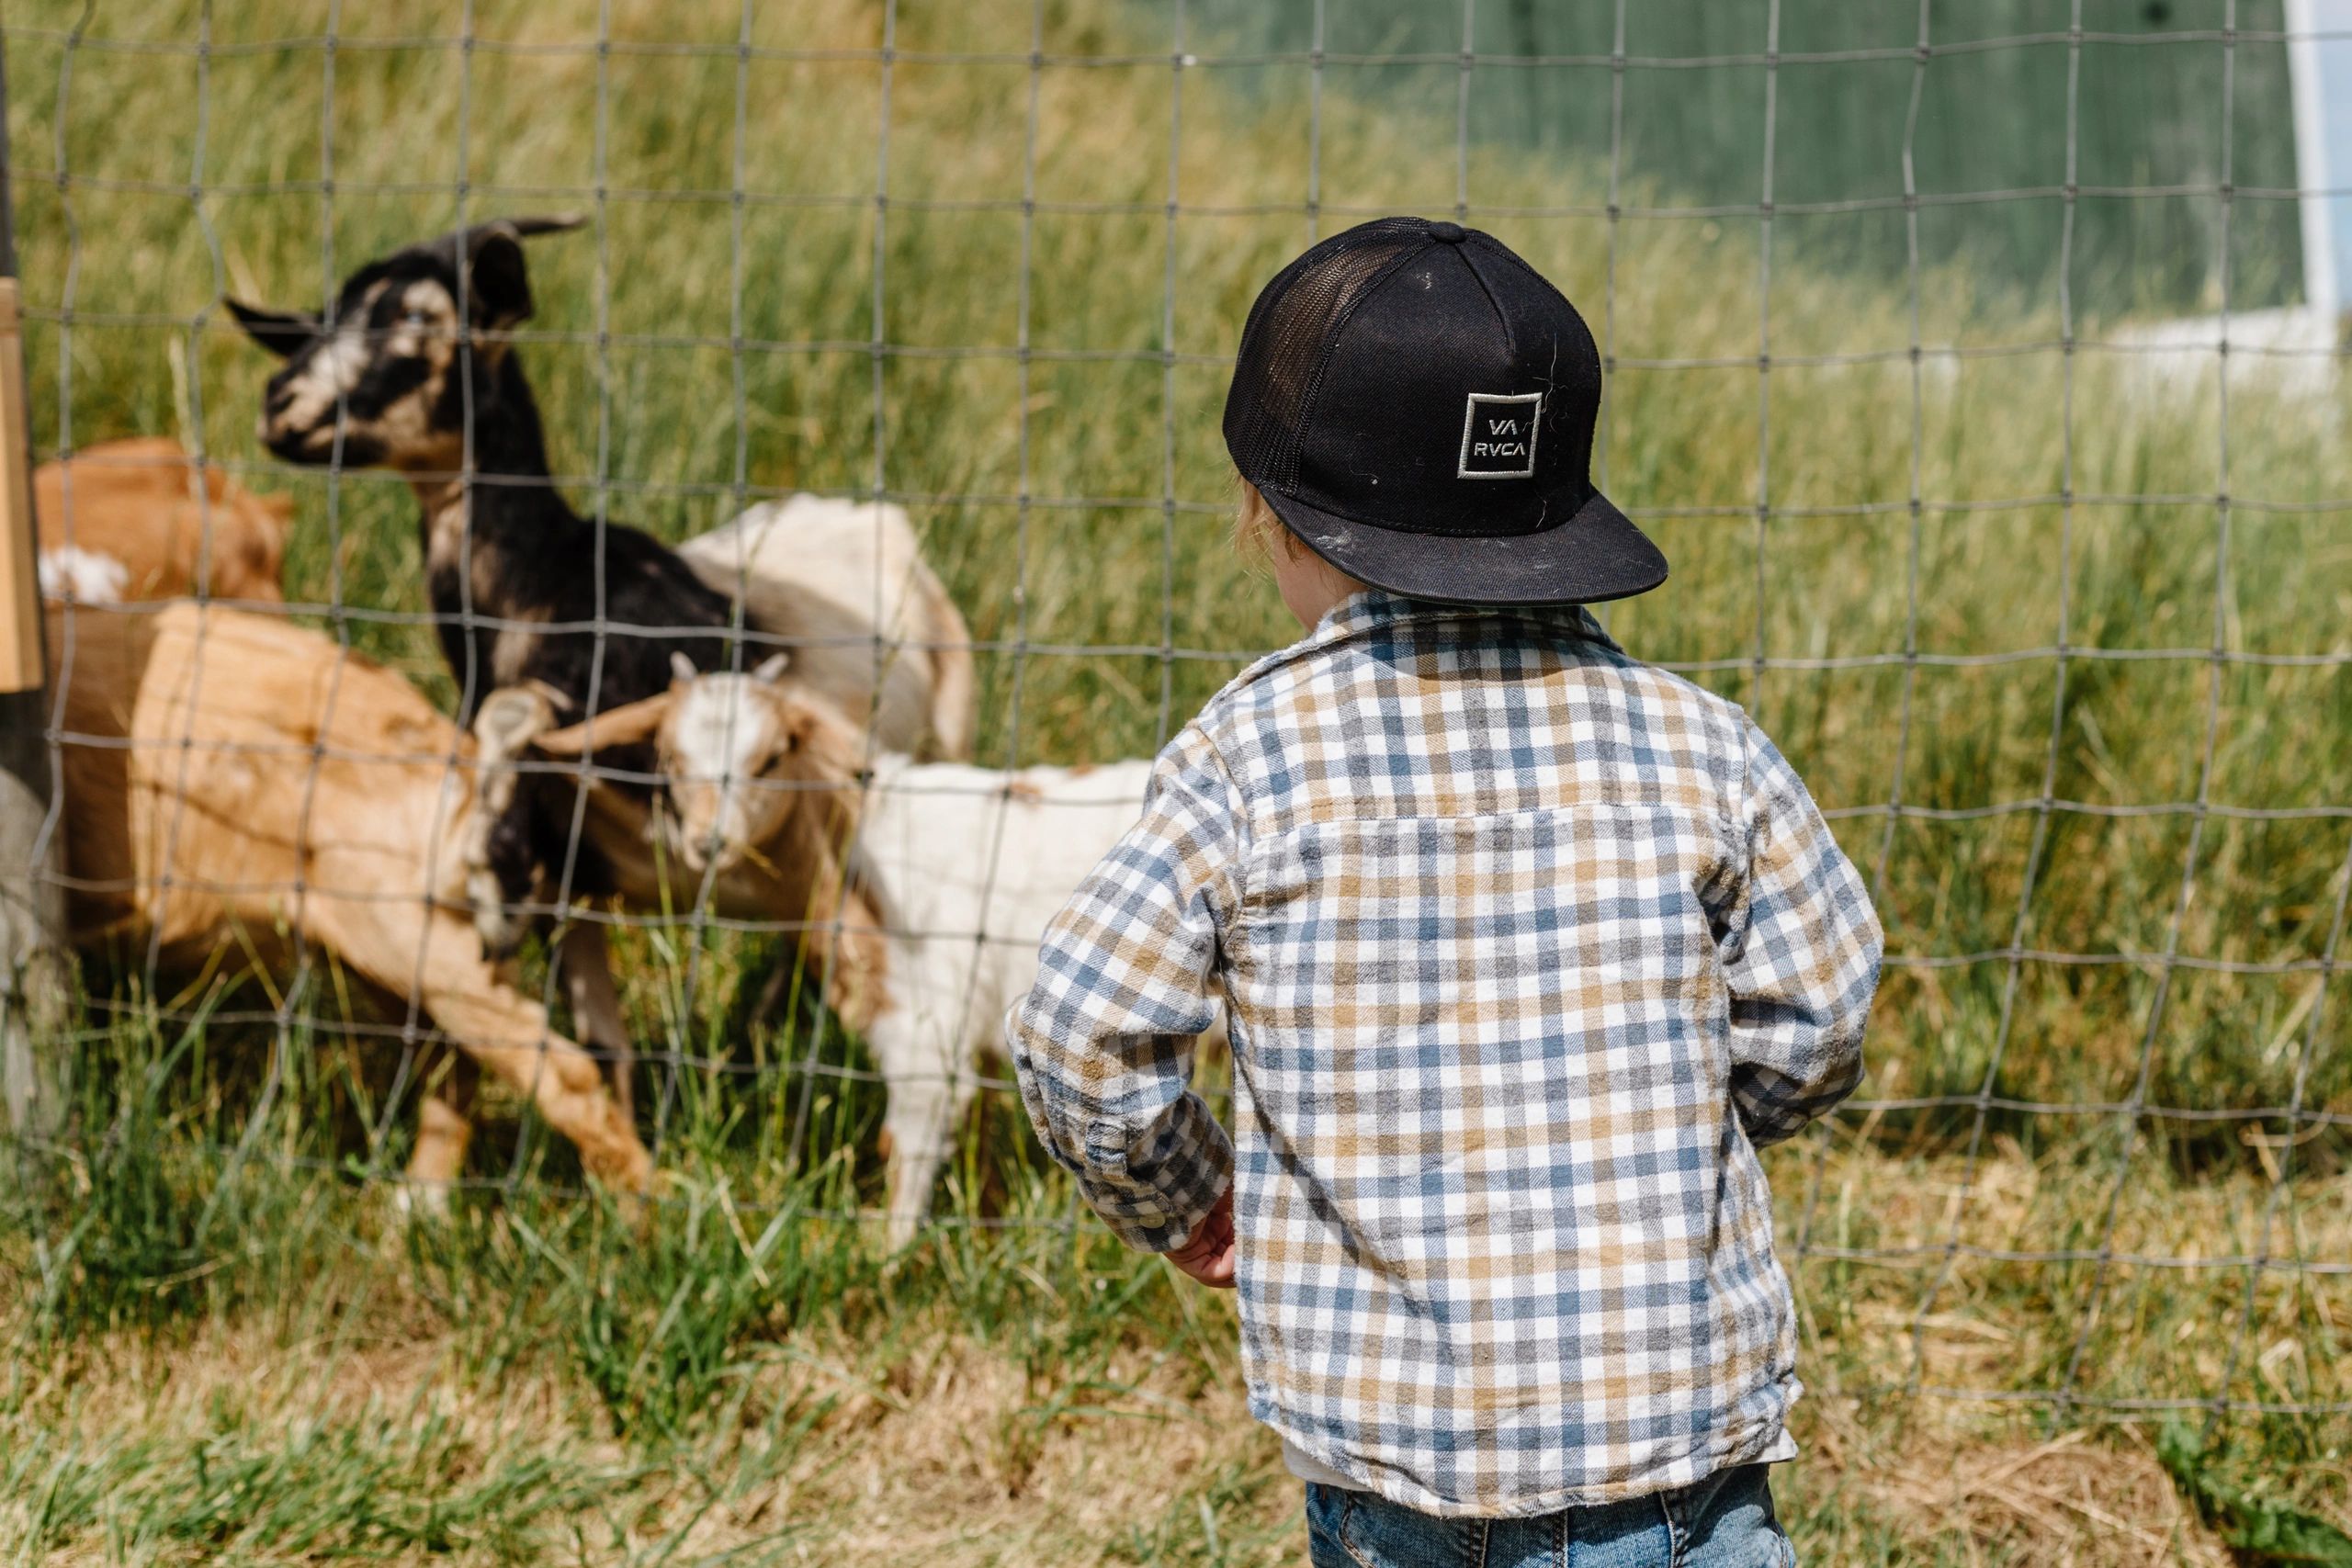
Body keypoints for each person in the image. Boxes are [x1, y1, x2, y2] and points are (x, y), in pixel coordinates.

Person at [1006, 216, 1882, 1567]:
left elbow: (1078, 1033)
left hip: (1399, 1479)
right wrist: (1661, 1144)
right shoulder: (1704, 746)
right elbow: (1820, 1009)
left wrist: (1192, 1208)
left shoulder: (1246, 764)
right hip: (1687, 1469)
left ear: (1270, 513)